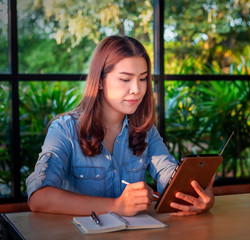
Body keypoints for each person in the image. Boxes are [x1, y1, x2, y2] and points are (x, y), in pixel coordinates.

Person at [26, 35, 215, 217]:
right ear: (99, 81)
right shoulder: (64, 130)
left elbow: (169, 176)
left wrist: (198, 197)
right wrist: (117, 205)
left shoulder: (145, 130)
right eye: (125, 79)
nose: (137, 89)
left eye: (142, 79)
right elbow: (39, 198)